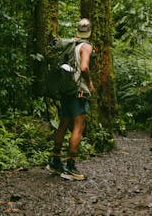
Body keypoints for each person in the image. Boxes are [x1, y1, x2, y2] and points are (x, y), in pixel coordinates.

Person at [46, 18, 94, 181]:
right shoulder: (86, 46)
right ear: (89, 31)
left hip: (66, 89)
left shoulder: (70, 44)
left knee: (64, 122)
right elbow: (84, 67)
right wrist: (89, 84)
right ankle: (70, 166)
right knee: (78, 126)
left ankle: (55, 160)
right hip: (78, 90)